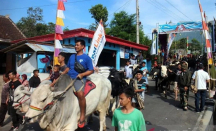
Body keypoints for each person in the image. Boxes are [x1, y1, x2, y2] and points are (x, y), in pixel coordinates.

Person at [62, 39, 94, 128]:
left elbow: (91, 70)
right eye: (75, 45)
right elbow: (68, 68)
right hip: (68, 77)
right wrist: (62, 74)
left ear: (83, 47)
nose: (76, 46)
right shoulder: (72, 56)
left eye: (77, 45)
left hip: (78, 79)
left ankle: (82, 114)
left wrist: (82, 74)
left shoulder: (86, 58)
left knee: (80, 94)